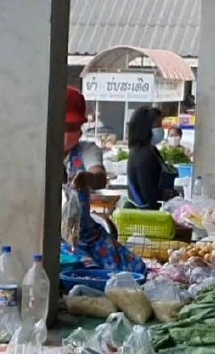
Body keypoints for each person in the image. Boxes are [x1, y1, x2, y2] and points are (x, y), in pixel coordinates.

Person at [60, 86, 145, 273]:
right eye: (65, 127)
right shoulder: (39, 155)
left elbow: (99, 177)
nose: (70, 133)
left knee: (132, 270)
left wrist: (88, 178)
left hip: (86, 235)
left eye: (75, 128)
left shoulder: (87, 150)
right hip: (52, 240)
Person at [125, 106, 177, 210]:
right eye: (158, 125)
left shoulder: (150, 151)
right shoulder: (143, 156)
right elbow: (148, 193)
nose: (161, 129)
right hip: (149, 214)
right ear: (146, 127)